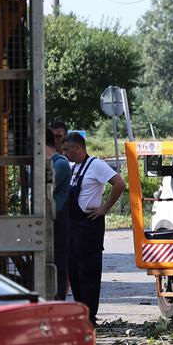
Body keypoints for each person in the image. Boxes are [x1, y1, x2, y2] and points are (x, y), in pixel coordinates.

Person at [63, 131, 123, 323]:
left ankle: (90, 315)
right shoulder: (72, 167)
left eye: (66, 149)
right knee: (72, 270)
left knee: (87, 271)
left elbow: (119, 184)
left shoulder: (96, 165)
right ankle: (80, 312)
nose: (64, 153)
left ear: (78, 148)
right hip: (72, 225)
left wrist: (104, 208)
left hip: (89, 225)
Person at [46, 127, 73, 300]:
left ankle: (58, 301)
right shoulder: (48, 163)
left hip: (58, 219)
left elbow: (44, 185)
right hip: (49, 218)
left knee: (58, 263)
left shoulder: (60, 163)